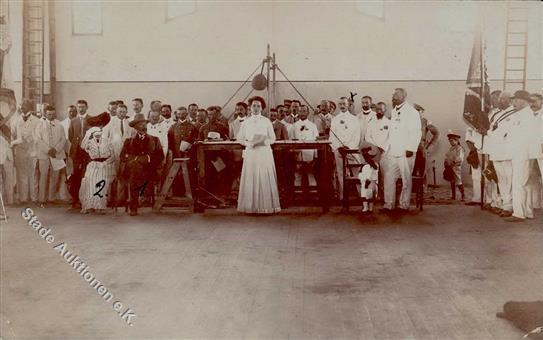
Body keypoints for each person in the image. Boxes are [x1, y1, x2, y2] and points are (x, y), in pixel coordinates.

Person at [237, 96, 281, 214]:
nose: (256, 108)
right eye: (254, 106)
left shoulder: (266, 121)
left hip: (264, 152)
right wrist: (249, 144)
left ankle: (265, 207)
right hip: (251, 153)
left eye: (258, 106)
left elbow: (273, 138)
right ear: (250, 108)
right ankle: (251, 207)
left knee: (263, 176)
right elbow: (240, 138)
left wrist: (264, 142)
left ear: (262, 108)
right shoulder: (246, 122)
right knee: (251, 177)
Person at [381, 88, 422, 212]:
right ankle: (389, 204)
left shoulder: (412, 112)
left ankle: (404, 204)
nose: (393, 97)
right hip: (393, 151)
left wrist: (411, 148)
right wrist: (387, 148)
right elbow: (391, 132)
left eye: (396, 95)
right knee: (389, 177)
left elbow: (416, 132)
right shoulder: (394, 111)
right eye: (393, 94)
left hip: (406, 151)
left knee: (406, 179)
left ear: (404, 96)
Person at [119, 114, 164, 216]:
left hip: (149, 170)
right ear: (135, 127)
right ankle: (138, 203)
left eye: (145, 124)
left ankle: (134, 205)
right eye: (140, 124)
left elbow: (160, 156)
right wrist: (137, 159)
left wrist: (147, 159)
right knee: (135, 170)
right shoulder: (129, 141)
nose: (143, 126)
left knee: (136, 173)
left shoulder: (155, 140)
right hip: (132, 170)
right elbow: (122, 156)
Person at [507, 90, 540, 222]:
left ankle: (519, 213)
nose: (513, 102)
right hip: (522, 152)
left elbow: (525, 138)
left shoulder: (526, 116)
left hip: (522, 153)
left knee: (518, 183)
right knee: (525, 184)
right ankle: (527, 211)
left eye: (515, 100)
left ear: (522, 101)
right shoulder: (523, 115)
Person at [487, 92, 515, 217]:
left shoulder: (514, 113)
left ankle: (511, 206)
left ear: (510, 100)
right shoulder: (497, 114)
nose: (500, 101)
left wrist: (491, 133)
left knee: (509, 179)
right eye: (500, 99)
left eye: (503, 99)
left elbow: (503, 132)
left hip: (507, 151)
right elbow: (491, 130)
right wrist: (491, 133)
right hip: (496, 151)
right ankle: (505, 204)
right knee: (501, 180)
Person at [329, 96, 361, 201]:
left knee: (357, 172)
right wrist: (338, 147)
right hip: (339, 150)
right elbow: (332, 136)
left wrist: (348, 147)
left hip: (352, 150)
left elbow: (357, 135)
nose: (342, 106)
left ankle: (361, 195)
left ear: (348, 105)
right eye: (340, 104)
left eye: (344, 104)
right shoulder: (335, 119)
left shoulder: (354, 119)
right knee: (340, 173)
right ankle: (343, 197)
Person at [78, 127, 116, 214]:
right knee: (89, 180)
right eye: (95, 133)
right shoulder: (89, 142)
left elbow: (113, 156)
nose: (98, 135)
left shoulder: (107, 141)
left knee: (101, 180)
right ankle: (90, 205)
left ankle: (100, 206)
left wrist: (105, 163)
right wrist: (88, 134)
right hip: (93, 164)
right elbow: (82, 146)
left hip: (106, 165)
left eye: (99, 133)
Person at [35, 105, 66, 207]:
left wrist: (56, 149)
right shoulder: (40, 125)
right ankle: (42, 199)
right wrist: (48, 150)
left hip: (56, 154)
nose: (51, 116)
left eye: (53, 114)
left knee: (55, 176)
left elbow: (63, 139)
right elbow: (38, 140)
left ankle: (51, 197)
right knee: (43, 176)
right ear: (45, 114)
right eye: (49, 114)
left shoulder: (59, 125)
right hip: (44, 154)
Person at [10, 106, 40, 204]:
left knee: (33, 175)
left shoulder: (37, 121)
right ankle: (23, 198)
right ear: (20, 108)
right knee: (21, 174)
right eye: (22, 106)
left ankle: (34, 197)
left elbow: (39, 136)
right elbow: (12, 135)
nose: (24, 109)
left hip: (32, 150)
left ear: (30, 107)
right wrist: (17, 142)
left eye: (26, 106)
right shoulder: (15, 120)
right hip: (20, 150)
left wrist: (31, 140)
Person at [68, 99, 91, 210]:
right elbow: (70, 136)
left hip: (88, 152)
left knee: (86, 176)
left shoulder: (91, 120)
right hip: (77, 152)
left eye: (83, 107)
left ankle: (86, 199)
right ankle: (75, 199)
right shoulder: (73, 121)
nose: (81, 109)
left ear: (87, 107)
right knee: (76, 176)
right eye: (79, 107)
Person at [293, 105, 319, 193]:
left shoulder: (312, 125)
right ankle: (298, 194)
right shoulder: (294, 126)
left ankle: (313, 194)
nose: (302, 113)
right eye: (300, 111)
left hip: (310, 154)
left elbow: (316, 141)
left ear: (308, 112)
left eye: (304, 111)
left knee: (311, 174)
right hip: (298, 154)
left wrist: (315, 156)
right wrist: (294, 155)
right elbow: (291, 141)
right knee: (297, 175)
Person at [358, 142, 382, 213]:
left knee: (367, 196)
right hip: (370, 183)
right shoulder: (373, 165)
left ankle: (367, 207)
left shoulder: (369, 166)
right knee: (369, 196)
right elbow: (374, 175)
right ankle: (368, 208)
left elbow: (367, 175)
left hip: (368, 183)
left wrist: (362, 176)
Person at [444, 131, 465, 200]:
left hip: (456, 167)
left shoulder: (459, 148)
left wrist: (454, 162)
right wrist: (446, 162)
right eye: (450, 141)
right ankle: (453, 196)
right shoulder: (451, 149)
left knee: (458, 181)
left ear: (456, 140)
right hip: (450, 167)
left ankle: (463, 195)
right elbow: (447, 156)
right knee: (452, 181)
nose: (451, 142)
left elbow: (460, 157)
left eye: (452, 141)